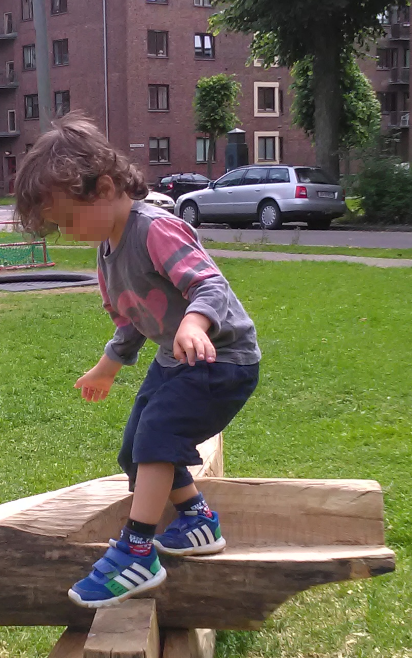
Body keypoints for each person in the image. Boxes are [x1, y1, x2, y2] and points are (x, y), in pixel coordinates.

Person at [14, 113, 261, 609]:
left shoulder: (156, 229)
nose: (67, 232)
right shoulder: (106, 252)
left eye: (68, 219)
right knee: (134, 450)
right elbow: (131, 320)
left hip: (222, 357)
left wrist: (194, 323)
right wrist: (108, 366)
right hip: (177, 359)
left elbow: (208, 284)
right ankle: (196, 520)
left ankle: (137, 550)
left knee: (157, 438)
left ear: (104, 186)